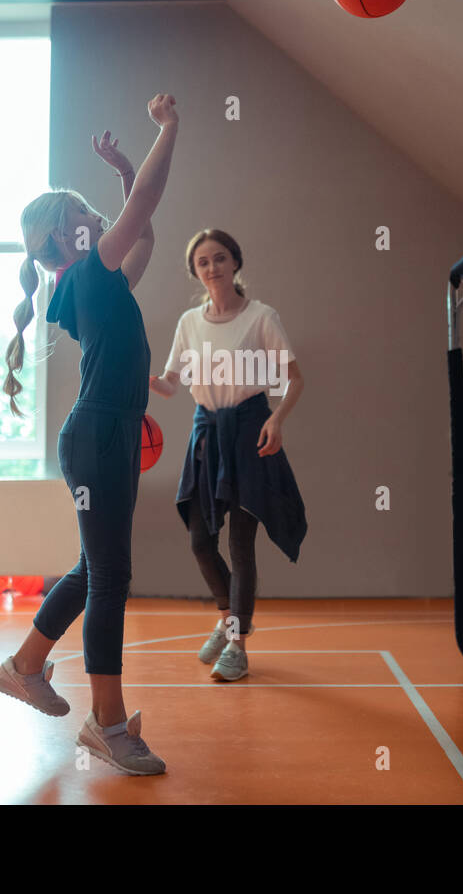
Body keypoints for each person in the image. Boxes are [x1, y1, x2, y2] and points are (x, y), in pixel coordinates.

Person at [0, 94, 178, 776]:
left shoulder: (95, 280)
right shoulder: (89, 273)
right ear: (59, 239)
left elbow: (147, 230)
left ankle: (25, 665)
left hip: (107, 435)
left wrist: (126, 166)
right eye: (79, 210)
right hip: (98, 436)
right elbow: (147, 211)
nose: (90, 212)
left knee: (94, 569)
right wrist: (167, 130)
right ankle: (106, 725)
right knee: (111, 577)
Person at [149, 229, 307, 682]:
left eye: (220, 258)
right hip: (207, 436)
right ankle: (228, 617)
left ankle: (237, 644)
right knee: (200, 540)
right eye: (203, 262)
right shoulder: (189, 323)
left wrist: (276, 420)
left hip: (250, 431)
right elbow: (169, 383)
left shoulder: (261, 317)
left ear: (234, 263)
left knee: (240, 545)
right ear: (195, 272)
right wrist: (141, 377)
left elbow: (295, 379)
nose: (212, 267)